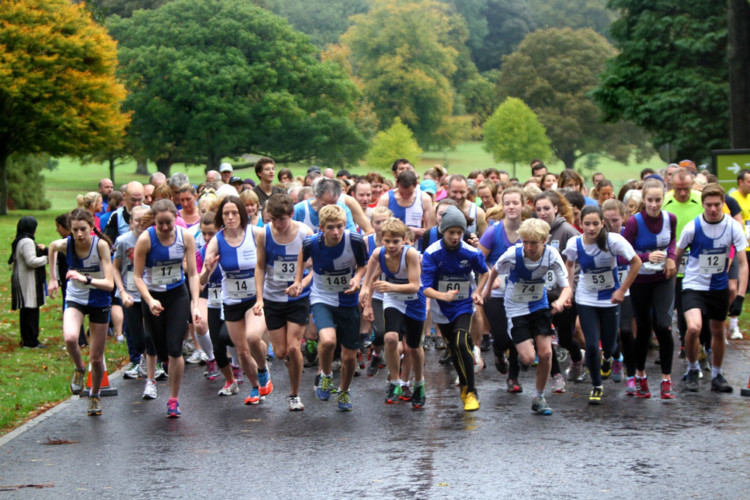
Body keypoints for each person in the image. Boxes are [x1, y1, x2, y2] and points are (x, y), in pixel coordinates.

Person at [485, 218, 570, 416]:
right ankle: (520, 349)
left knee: (546, 353)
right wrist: (487, 290)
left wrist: (560, 301)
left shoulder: (551, 255)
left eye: (534, 243)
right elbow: (495, 269)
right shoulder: (513, 254)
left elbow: (566, 286)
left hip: (539, 306)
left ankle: (539, 397)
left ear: (544, 241)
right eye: (525, 242)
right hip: (516, 308)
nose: (529, 247)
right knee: (528, 358)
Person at [291, 204, 368, 411]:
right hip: (322, 297)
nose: (336, 232)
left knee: (350, 357)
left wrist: (358, 279)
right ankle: (325, 375)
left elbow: (363, 264)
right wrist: (299, 280)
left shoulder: (355, 241)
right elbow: (302, 256)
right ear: (321, 227)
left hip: (348, 300)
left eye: (340, 227)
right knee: (327, 340)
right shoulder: (312, 242)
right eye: (331, 227)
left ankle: (344, 390)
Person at [563, 206, 641, 405]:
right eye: (587, 224)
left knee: (608, 344)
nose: (591, 228)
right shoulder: (575, 243)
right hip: (586, 298)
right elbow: (569, 263)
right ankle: (596, 386)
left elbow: (636, 262)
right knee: (591, 344)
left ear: (602, 224)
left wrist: (622, 290)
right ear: (580, 224)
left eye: (595, 223)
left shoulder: (613, 241)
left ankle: (612, 357)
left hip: (610, 298)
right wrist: (569, 288)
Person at [199, 196, 272, 406]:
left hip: (255, 299)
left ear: (242, 213)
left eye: (234, 213)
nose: (230, 218)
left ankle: (262, 369)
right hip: (231, 301)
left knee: (252, 337)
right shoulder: (217, 240)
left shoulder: (256, 233)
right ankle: (255, 387)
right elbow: (202, 280)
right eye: (226, 214)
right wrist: (208, 270)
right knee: (240, 351)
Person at [677, 184, 748, 393]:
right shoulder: (693, 227)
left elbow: (743, 264)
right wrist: (673, 285)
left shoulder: (733, 227)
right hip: (693, 285)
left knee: (718, 330)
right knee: (694, 328)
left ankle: (717, 374)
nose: (713, 209)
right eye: (709, 205)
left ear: (723, 204)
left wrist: (740, 297)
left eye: (717, 205)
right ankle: (692, 368)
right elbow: (677, 255)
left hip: (718, 286)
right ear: (703, 205)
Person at [133, 200, 201, 418]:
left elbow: (192, 273)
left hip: (177, 295)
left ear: (176, 218)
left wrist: (195, 303)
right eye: (160, 223)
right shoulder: (146, 239)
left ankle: (173, 399)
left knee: (175, 348)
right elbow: (137, 277)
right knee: (162, 350)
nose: (164, 228)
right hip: (153, 297)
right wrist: (149, 300)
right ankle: (164, 363)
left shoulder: (185, 236)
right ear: (154, 220)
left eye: (168, 223)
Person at [48, 209, 114, 416]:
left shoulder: (101, 246)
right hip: (75, 299)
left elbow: (110, 284)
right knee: (70, 338)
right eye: (74, 230)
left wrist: (85, 278)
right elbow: (51, 246)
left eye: (83, 229)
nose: (78, 235)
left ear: (91, 227)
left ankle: (94, 396)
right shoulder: (66, 244)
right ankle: (78, 368)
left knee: (96, 358)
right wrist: (52, 278)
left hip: (99, 301)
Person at [422, 206, 489, 411]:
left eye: (459, 233)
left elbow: (484, 272)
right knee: (454, 349)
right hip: (441, 307)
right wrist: (443, 296)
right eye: (452, 232)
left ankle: (470, 391)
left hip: (463, 304)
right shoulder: (432, 253)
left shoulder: (469, 252)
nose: (455, 237)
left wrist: (478, 291)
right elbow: (425, 288)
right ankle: (465, 382)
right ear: (443, 231)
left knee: (461, 341)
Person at [254, 194, 314, 411]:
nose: (278, 224)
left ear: (290, 215)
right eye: (273, 219)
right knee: (280, 352)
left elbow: (315, 267)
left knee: (293, 346)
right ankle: (289, 365)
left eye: (282, 219)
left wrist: (301, 283)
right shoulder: (264, 234)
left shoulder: (305, 234)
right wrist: (259, 298)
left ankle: (294, 395)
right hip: (273, 298)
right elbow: (260, 267)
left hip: (297, 298)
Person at [361, 218, 427, 408]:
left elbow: (415, 286)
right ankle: (395, 382)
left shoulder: (411, 254)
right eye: (387, 241)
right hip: (394, 300)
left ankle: (419, 383)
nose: (391, 246)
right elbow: (369, 276)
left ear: (404, 240)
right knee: (390, 338)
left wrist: (389, 285)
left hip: (414, 302)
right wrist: (365, 292)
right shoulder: (378, 253)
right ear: (381, 239)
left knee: (413, 347)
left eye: (396, 241)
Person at [623, 178, 678, 399]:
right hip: (639, 281)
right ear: (643, 200)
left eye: (658, 200)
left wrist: (671, 257)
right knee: (644, 329)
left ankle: (666, 379)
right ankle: (640, 375)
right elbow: (623, 252)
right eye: (650, 200)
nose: (654, 205)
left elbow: (672, 240)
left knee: (663, 326)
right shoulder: (635, 223)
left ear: (664, 199)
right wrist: (646, 256)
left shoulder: (670, 218)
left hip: (662, 279)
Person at [533, 191, 584, 391]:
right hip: (540, 294)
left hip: (564, 296)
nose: (543, 213)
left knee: (563, 337)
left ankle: (577, 356)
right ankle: (556, 375)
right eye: (538, 209)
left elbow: (579, 264)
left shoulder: (568, 232)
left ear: (556, 208)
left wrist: (570, 291)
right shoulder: (534, 231)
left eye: (547, 208)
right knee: (543, 336)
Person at [112, 206, 161, 399]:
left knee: (151, 336)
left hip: (151, 294)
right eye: (136, 220)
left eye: (144, 220)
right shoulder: (123, 241)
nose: (140, 224)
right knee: (139, 340)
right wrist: (122, 292)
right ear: (130, 221)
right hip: (131, 295)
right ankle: (143, 358)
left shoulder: (154, 239)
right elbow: (115, 268)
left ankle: (153, 368)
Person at [479, 188, 524, 393]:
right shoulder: (493, 231)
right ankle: (498, 352)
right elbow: (479, 258)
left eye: (515, 203)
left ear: (523, 205)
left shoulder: (529, 230)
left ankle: (513, 378)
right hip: (495, 292)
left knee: (516, 334)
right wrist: (490, 274)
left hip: (520, 293)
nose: (511, 207)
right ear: (502, 206)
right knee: (501, 335)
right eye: (507, 203)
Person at [10, 217, 48, 349]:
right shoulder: (27, 241)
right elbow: (31, 261)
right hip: (27, 280)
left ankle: (28, 339)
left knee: (26, 311)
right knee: (31, 310)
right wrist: (47, 258)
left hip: (23, 278)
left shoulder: (21, 240)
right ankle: (31, 341)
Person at [378, 169, 435, 246]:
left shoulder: (424, 198)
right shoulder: (386, 199)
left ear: (416, 185)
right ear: (397, 183)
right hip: (392, 245)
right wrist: (411, 230)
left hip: (416, 245)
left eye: (409, 193)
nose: (405, 196)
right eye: (402, 193)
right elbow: (378, 226)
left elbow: (430, 229)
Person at [448, 174, 487, 239]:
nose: (458, 196)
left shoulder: (478, 213)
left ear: (468, 190)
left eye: (462, 192)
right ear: (448, 190)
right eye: (455, 192)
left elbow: (485, 243)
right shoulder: (439, 210)